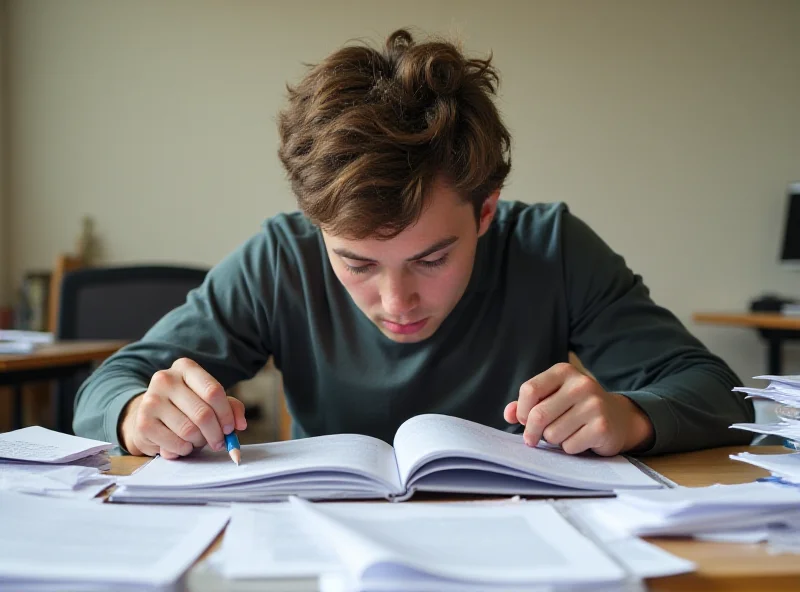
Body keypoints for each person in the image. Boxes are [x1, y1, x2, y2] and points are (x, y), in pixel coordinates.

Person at [73, 29, 753, 460]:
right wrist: (137, 413)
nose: (396, 301)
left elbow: (719, 393)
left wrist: (632, 416)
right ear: (318, 229)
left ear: (486, 211)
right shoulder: (280, 258)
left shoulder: (554, 248)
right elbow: (105, 388)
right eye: (357, 263)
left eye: (432, 258)